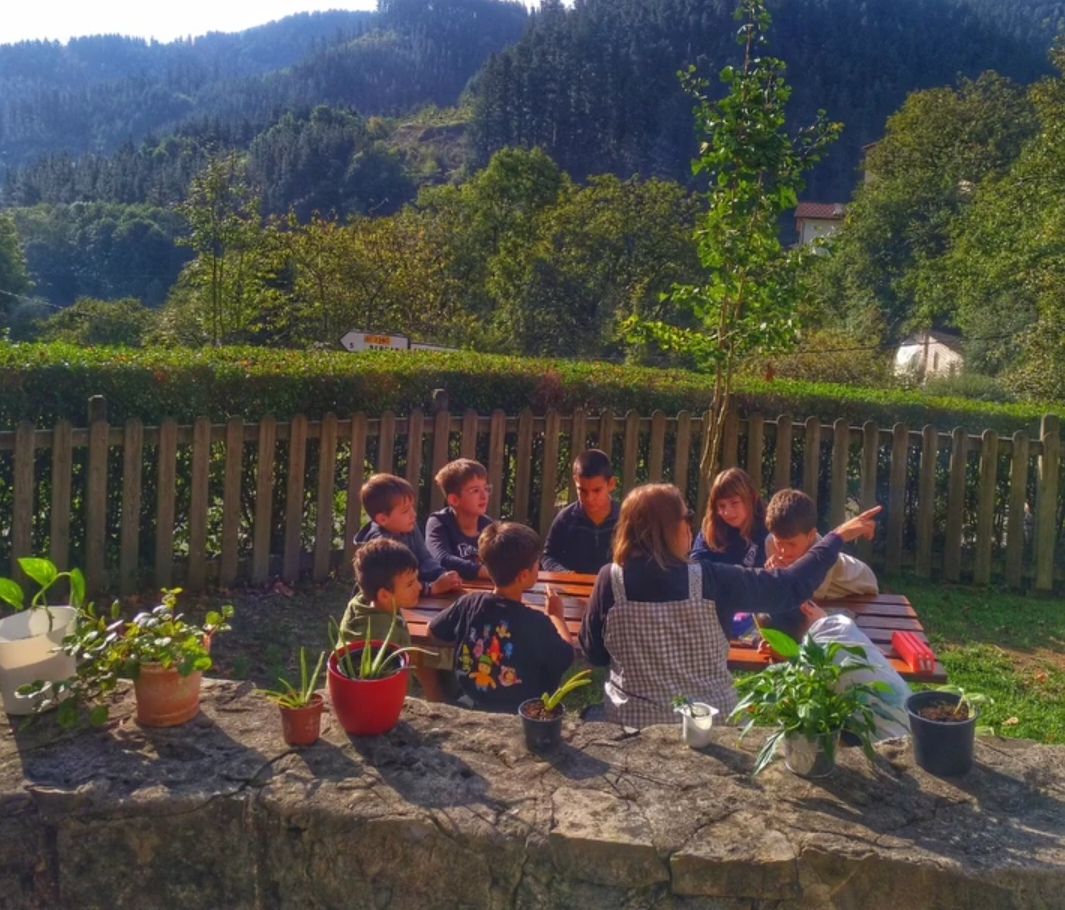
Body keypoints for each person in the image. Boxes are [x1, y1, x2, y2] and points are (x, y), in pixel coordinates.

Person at [579, 483, 881, 729]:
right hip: (711, 722)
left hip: (633, 723)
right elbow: (788, 587)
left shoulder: (610, 579)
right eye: (686, 517)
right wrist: (838, 536)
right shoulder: (710, 578)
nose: (691, 523)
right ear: (673, 528)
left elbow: (594, 653)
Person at [429, 522, 574, 712]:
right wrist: (557, 617)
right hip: (520, 711)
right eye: (536, 563)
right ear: (523, 575)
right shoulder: (536, 622)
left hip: (471, 702)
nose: (539, 566)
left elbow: (432, 630)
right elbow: (566, 657)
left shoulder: (469, 603)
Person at [755, 602, 910, 741]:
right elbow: (819, 639)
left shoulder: (805, 668)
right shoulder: (842, 623)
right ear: (807, 608)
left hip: (881, 742)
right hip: (912, 720)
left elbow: (801, 662)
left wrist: (787, 653)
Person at [339, 537, 445, 701]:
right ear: (384, 595)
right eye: (410, 584)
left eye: (417, 578)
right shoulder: (379, 638)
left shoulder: (366, 601)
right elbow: (379, 693)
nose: (418, 586)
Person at [353, 473, 462, 596]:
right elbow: (396, 586)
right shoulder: (380, 547)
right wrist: (432, 588)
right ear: (382, 519)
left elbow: (424, 558)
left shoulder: (409, 526)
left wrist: (442, 575)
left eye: (412, 507)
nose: (413, 514)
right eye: (405, 511)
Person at [763, 488, 878, 599]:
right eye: (779, 543)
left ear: (811, 535)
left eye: (791, 544)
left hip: (862, 586)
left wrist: (782, 576)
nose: (784, 551)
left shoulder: (824, 554)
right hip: (828, 595)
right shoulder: (770, 542)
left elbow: (810, 595)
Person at [541, 448, 619, 574]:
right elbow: (548, 556)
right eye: (582, 490)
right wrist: (566, 574)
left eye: (597, 490)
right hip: (574, 589)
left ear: (611, 484)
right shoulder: (566, 518)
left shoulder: (625, 520)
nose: (589, 498)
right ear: (575, 481)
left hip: (613, 589)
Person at [425, 458, 496, 581]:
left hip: (483, 590)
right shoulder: (439, 522)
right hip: (446, 595)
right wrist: (480, 571)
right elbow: (442, 559)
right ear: (454, 500)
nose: (484, 496)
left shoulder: (488, 526)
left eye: (486, 489)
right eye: (475, 491)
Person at [691, 467, 767, 568]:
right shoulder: (710, 530)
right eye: (721, 506)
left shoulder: (767, 530)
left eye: (734, 503)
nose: (727, 512)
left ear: (751, 498)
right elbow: (695, 570)